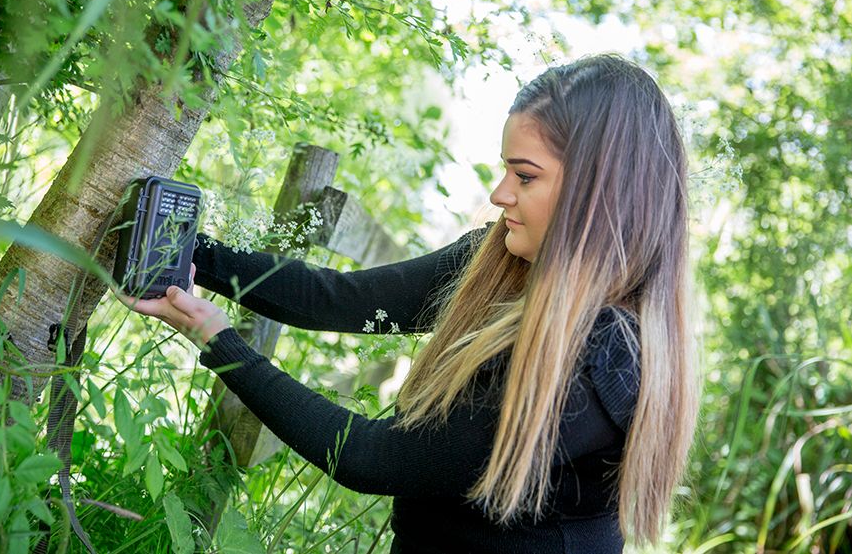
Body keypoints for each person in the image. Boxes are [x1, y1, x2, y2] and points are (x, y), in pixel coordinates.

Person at [115, 53, 699, 553]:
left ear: (597, 191)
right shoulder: (500, 262)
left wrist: (222, 345)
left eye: (525, 177)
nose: (500, 195)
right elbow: (340, 300)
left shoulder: (603, 359)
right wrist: (188, 251)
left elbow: (372, 458)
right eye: (506, 171)